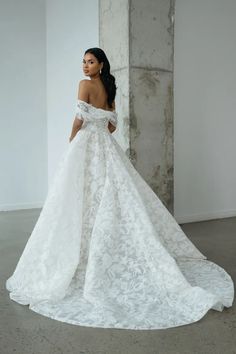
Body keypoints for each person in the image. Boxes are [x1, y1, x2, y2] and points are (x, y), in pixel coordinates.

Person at [6, 47, 234, 330]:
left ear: (101, 64)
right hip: (106, 145)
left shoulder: (85, 85)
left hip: (87, 144)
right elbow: (112, 127)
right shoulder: (108, 87)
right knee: (111, 195)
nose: (85, 66)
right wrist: (99, 123)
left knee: (80, 196)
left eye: (90, 61)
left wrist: (72, 136)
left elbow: (79, 117)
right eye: (83, 61)